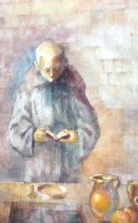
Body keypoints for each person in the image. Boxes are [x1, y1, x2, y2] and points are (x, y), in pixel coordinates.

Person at [7, 40, 100, 182]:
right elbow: (15, 131)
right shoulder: (27, 91)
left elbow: (91, 126)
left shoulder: (73, 88)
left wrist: (76, 136)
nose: (51, 74)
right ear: (38, 65)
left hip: (68, 168)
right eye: (47, 69)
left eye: (56, 68)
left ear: (63, 63)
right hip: (38, 170)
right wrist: (33, 136)